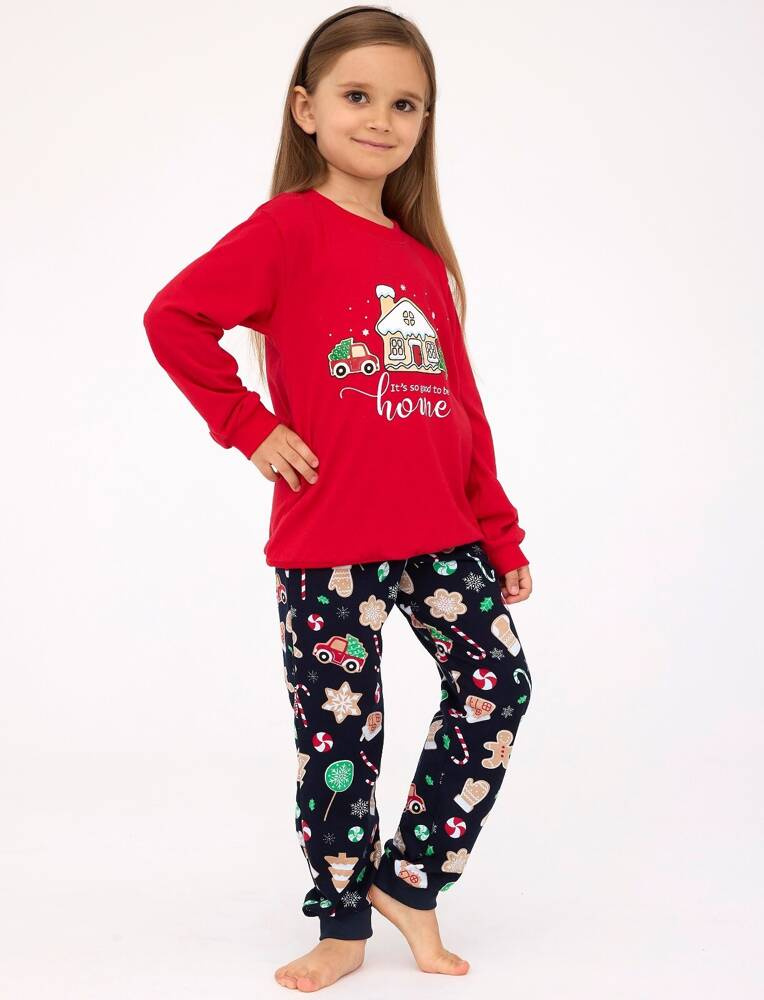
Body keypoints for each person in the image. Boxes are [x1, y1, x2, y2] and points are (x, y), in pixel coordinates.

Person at [143, 5, 534, 992]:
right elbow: (175, 317)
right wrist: (248, 426)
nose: (381, 119)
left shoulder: (421, 261)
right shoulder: (287, 230)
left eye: (406, 104)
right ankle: (342, 923)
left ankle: (411, 879)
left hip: (442, 537)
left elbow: (460, 409)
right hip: (329, 543)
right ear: (306, 108)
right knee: (340, 739)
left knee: (497, 686)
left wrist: (498, 531)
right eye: (359, 96)